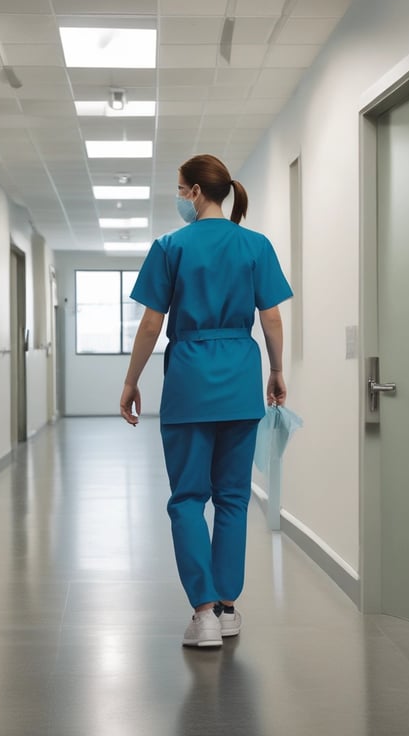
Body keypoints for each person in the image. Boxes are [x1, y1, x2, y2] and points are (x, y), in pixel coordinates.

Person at [120, 154, 292, 648]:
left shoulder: (170, 246)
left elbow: (152, 322)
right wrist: (276, 371)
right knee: (234, 499)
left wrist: (131, 380)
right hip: (241, 378)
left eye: (179, 188)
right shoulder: (255, 245)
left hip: (190, 381)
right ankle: (229, 606)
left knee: (188, 499)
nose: (178, 197)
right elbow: (272, 319)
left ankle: (204, 612)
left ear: (195, 192)